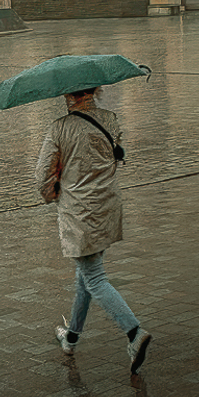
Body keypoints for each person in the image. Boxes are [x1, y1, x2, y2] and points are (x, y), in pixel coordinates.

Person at [35, 86, 151, 374]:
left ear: (69, 95)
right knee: (85, 274)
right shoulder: (110, 120)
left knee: (94, 277)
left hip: (79, 213)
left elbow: (44, 176)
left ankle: (134, 333)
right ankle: (71, 337)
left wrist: (53, 194)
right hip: (107, 207)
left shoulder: (59, 128)